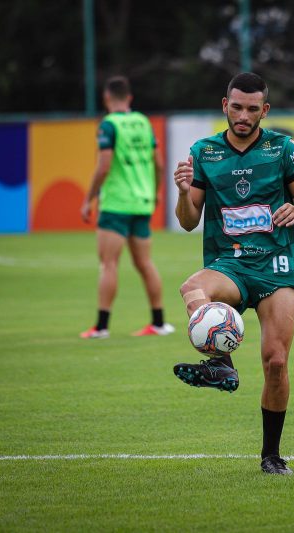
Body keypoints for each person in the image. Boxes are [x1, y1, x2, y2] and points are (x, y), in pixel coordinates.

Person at [172, 72, 294, 476]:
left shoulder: (282, 149)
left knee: (275, 362)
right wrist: (184, 193)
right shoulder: (205, 151)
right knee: (192, 288)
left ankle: (271, 455)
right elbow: (187, 222)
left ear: (264, 111)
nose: (243, 115)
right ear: (225, 105)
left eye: (253, 109)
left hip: (277, 263)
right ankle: (222, 361)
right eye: (237, 107)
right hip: (231, 264)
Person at [80, 76, 174, 339]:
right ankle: (159, 322)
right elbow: (159, 164)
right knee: (145, 263)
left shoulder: (108, 125)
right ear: (129, 98)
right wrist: (154, 194)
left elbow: (104, 165)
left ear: (106, 98)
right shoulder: (143, 122)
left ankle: (101, 327)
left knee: (108, 264)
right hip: (142, 203)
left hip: (117, 204)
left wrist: (89, 198)